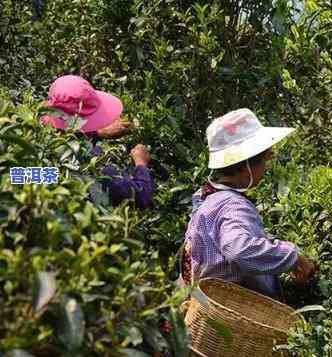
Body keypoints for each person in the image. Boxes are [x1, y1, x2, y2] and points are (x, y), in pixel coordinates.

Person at [180, 108, 316, 301]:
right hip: (234, 313)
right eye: (264, 161)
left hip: (208, 304)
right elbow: (240, 250)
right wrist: (292, 256)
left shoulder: (207, 197)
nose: (266, 168)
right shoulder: (233, 206)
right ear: (246, 167)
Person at [40, 75, 154, 209]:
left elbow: (18, 177)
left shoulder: (31, 138)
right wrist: (141, 164)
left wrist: (97, 133)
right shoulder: (94, 167)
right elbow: (141, 196)